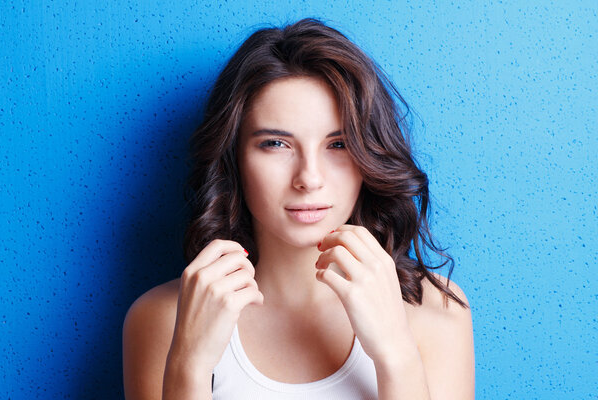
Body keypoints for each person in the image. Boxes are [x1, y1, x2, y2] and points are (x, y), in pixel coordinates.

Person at [122, 18, 475, 400]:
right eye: (276, 143)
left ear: (367, 158)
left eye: (337, 145)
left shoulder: (434, 309)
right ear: (233, 159)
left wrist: (395, 353)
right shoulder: (162, 318)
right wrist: (189, 365)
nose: (309, 178)